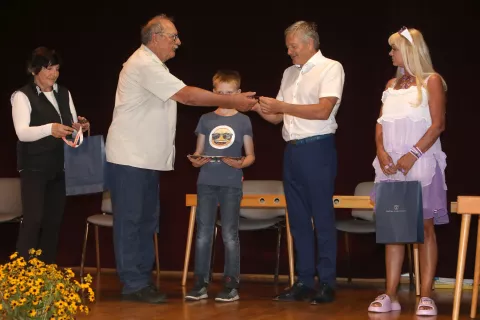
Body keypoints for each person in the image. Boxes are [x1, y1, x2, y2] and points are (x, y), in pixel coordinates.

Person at [105, 15, 256, 304]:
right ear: (156, 37)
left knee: (147, 220)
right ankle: (133, 283)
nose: (178, 42)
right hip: (130, 157)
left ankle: (142, 280)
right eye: (173, 36)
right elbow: (187, 97)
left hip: (145, 158)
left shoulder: (156, 66)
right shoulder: (143, 63)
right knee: (131, 220)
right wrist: (231, 101)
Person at [252, 21, 345, 304]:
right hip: (291, 151)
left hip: (317, 149)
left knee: (323, 217)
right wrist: (254, 105)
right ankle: (304, 281)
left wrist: (282, 107)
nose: (290, 52)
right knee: (299, 221)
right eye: (288, 47)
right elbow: (277, 117)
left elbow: (322, 110)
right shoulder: (289, 73)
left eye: (293, 46)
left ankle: (327, 282)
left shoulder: (331, 67)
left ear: (309, 43)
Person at [367, 27, 447, 316]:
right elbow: (380, 124)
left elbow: (437, 124)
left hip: (421, 164)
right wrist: (381, 151)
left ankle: (425, 295)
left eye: (394, 48)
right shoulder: (391, 84)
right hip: (390, 168)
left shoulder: (432, 82)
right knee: (393, 230)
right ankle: (390, 293)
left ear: (410, 52)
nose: (390, 53)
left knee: (424, 229)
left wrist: (413, 155)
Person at [11, 47, 90, 264]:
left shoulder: (64, 93)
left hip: (60, 167)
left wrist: (81, 128)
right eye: (48, 69)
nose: (53, 74)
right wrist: (50, 129)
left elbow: (73, 131)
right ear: (35, 70)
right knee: (33, 220)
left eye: (56, 69)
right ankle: (21, 275)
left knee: (53, 222)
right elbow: (22, 133)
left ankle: (46, 276)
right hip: (34, 168)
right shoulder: (22, 96)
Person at [184, 70, 255, 303]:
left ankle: (230, 284)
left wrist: (241, 163)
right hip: (206, 182)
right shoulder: (206, 120)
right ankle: (200, 283)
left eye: (230, 93)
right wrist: (196, 159)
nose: (225, 97)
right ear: (213, 93)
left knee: (229, 235)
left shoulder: (243, 120)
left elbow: (250, 156)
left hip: (231, 183)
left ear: (238, 93)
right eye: (220, 93)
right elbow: (199, 151)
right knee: (203, 235)